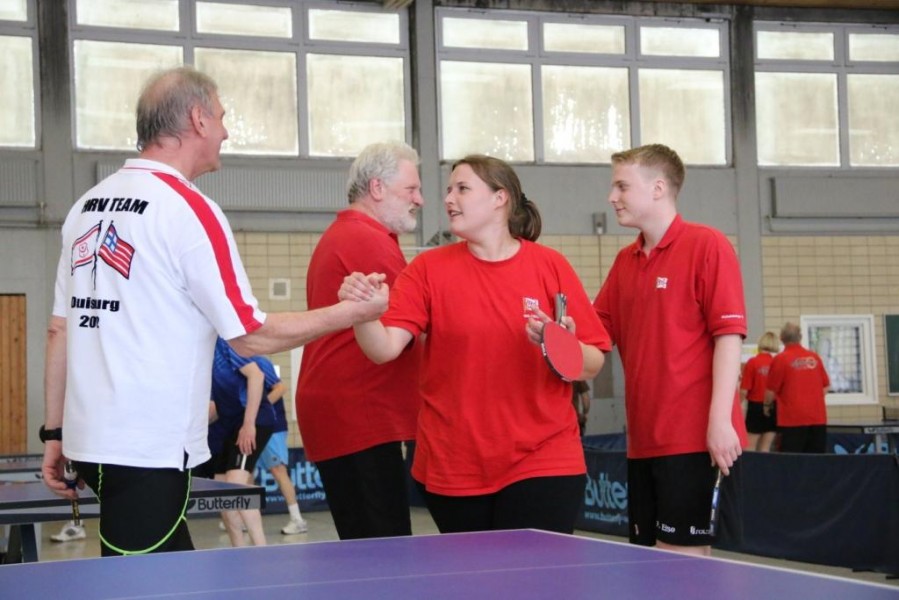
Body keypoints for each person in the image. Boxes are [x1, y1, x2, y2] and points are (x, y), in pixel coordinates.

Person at [40, 66, 386, 557]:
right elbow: (250, 335)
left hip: (87, 440)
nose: (225, 131)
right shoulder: (187, 209)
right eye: (222, 118)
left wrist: (54, 432)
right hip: (147, 446)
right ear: (198, 119)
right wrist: (349, 312)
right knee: (146, 583)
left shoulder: (85, 208)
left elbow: (60, 329)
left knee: (159, 567)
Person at [340, 154, 610, 535]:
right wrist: (363, 313)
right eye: (448, 190)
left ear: (500, 198)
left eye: (462, 189)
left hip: (543, 456)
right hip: (455, 464)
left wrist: (561, 345)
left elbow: (593, 360)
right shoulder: (426, 270)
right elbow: (383, 349)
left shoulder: (550, 266)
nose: (448, 198)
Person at [593, 144, 748, 557]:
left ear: (658, 188)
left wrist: (719, 421)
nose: (612, 197)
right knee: (651, 562)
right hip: (643, 441)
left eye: (622, 186)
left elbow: (728, 338)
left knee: (681, 564)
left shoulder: (707, 245)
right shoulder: (626, 262)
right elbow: (594, 334)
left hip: (694, 440)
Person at [295, 142, 424, 540]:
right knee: (383, 550)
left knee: (367, 545)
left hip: (348, 409)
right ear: (377, 188)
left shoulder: (351, 234)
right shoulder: (366, 240)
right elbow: (414, 325)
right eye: (411, 190)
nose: (419, 199)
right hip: (360, 411)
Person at [210, 337, 277, 547]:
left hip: (254, 419)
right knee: (222, 492)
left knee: (236, 486)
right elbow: (212, 408)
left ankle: (261, 549)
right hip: (229, 425)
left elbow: (256, 376)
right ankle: (237, 550)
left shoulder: (223, 344)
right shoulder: (197, 359)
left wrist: (249, 425)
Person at [765, 322, 830, 454]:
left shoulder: (780, 359)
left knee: (791, 462)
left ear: (782, 338)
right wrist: (813, 398)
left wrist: (766, 406)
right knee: (816, 460)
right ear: (800, 337)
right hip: (817, 418)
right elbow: (826, 386)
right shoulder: (814, 357)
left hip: (791, 420)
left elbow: (771, 391)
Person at [257, 373, 308, 535]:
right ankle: (246, 516)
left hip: (273, 427)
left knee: (278, 470)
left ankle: (297, 519)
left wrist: (258, 408)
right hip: (254, 428)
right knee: (245, 472)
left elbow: (281, 388)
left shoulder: (259, 363)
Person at [740, 331, 781, 452]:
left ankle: (750, 470)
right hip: (773, 407)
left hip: (755, 407)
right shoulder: (777, 363)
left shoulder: (753, 362)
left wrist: (737, 406)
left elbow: (744, 390)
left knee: (750, 446)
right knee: (765, 448)